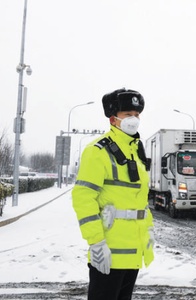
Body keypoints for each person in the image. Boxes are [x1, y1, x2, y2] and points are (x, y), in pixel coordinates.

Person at [72, 88, 154, 300]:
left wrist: (149, 229)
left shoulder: (136, 151)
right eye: (128, 115)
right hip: (107, 252)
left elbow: (139, 199)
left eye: (136, 115)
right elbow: (83, 198)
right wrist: (96, 242)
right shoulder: (97, 151)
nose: (133, 120)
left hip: (133, 252)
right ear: (113, 118)